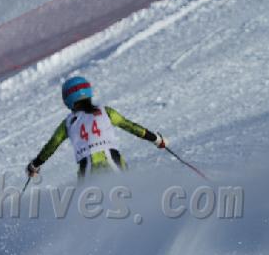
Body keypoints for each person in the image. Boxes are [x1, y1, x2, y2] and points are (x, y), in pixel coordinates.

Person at [26, 76, 167, 179]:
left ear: (67, 99)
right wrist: (156, 139)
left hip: (87, 166)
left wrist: (35, 164)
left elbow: (52, 145)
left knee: (89, 207)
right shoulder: (105, 111)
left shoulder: (68, 123)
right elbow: (131, 127)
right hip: (112, 159)